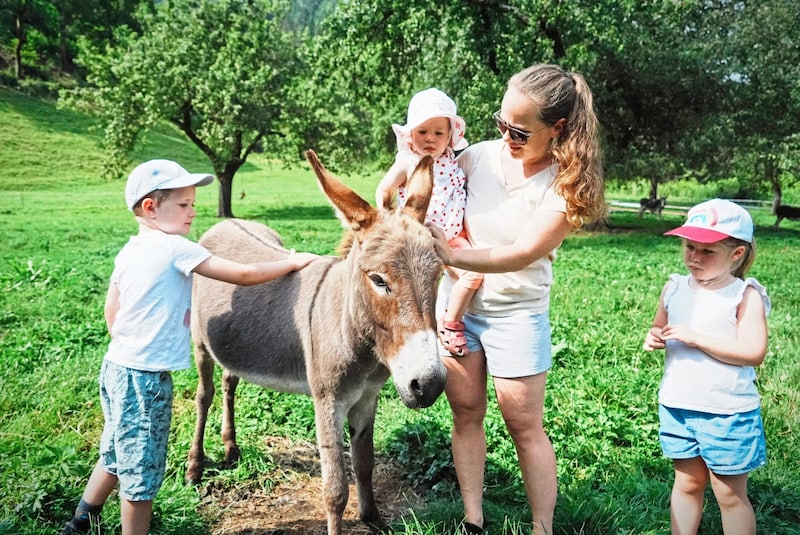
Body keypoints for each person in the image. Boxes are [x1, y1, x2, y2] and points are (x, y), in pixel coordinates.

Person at [59, 159, 318, 535]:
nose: (192, 212)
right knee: (142, 474)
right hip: (145, 381)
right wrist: (292, 262)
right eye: (183, 205)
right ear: (150, 207)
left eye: (193, 204)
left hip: (116, 368)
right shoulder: (175, 248)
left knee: (116, 450)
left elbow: (110, 311)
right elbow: (243, 275)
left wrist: (130, 343)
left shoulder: (129, 251)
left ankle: (83, 518)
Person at [427, 65, 605, 534]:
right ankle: (473, 518)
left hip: (515, 315)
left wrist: (451, 254)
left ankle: (541, 526)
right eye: (501, 122)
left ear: (558, 128)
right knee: (465, 413)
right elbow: (428, 182)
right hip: (457, 311)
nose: (506, 135)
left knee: (524, 427)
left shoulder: (566, 186)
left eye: (520, 130)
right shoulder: (476, 157)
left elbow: (521, 253)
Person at [643, 198, 770, 535]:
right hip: (678, 405)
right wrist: (654, 337)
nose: (694, 257)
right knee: (686, 483)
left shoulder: (745, 295)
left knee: (729, 494)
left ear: (737, 254)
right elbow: (659, 326)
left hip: (727, 411)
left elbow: (753, 351)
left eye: (707, 251)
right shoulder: (674, 286)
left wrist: (698, 338)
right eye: (689, 247)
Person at [376, 87, 482, 356]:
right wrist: (385, 214)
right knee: (422, 284)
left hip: (454, 236)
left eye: (439, 133)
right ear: (411, 133)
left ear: (450, 136)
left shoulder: (451, 160)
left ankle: (448, 320)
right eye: (423, 132)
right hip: (422, 238)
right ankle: (446, 325)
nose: (430, 139)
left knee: (474, 273)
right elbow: (384, 189)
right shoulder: (408, 162)